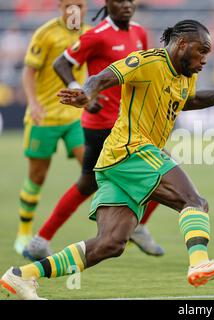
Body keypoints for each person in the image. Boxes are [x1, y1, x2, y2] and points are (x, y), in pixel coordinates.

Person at [0, 19, 214, 300]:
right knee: (194, 202)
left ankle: (22, 276)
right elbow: (102, 78)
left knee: (110, 244)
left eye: (208, 53)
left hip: (114, 162)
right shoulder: (147, 61)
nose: (205, 59)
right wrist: (86, 93)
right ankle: (199, 262)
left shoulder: (187, 74)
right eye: (202, 51)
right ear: (181, 44)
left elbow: (190, 101)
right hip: (132, 150)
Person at [23, 0, 164, 261]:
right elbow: (61, 63)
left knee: (160, 170)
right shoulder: (97, 35)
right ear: (108, 4)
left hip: (133, 122)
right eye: (119, 1)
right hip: (102, 125)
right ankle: (41, 240)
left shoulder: (140, 32)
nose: (126, 5)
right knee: (95, 181)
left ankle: (40, 240)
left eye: (130, 1)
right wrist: (82, 91)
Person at [14, 0, 90, 256]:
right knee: (37, 177)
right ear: (59, 7)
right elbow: (28, 72)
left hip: (75, 117)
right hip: (44, 116)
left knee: (90, 169)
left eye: (79, 5)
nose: (74, 11)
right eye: (69, 5)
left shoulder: (89, 34)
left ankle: (109, 228)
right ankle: (24, 232)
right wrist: (33, 103)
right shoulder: (45, 33)